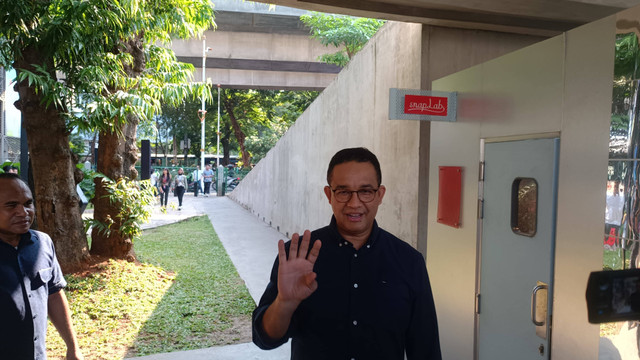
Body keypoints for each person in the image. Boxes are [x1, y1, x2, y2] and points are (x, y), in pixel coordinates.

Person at [252, 147, 441, 360]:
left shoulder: (409, 261)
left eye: (365, 191)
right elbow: (264, 339)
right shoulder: (297, 256)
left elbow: (426, 347)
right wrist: (285, 303)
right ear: (329, 195)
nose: (354, 203)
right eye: (343, 192)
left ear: (380, 195)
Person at [0, 173, 84, 360]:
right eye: (11, 205)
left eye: (28, 203)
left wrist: (73, 347)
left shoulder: (42, 243)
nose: (23, 212)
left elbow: (54, 294)